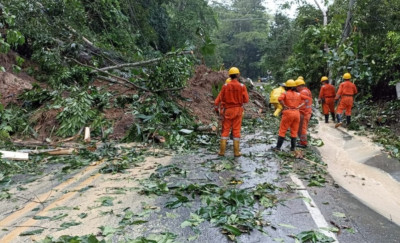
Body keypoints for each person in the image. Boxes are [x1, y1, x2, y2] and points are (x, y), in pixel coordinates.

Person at [214, 67, 249, 157]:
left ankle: (222, 152)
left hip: (227, 111)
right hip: (238, 111)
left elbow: (220, 98)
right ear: (238, 75)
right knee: (236, 131)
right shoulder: (242, 86)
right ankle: (236, 152)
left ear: (229, 75)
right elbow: (246, 100)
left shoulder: (225, 86)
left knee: (225, 131)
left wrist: (218, 107)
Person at [273, 79, 312, 151]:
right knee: (294, 131)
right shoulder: (298, 94)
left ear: (287, 87)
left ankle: (278, 147)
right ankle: (293, 148)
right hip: (296, 113)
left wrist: (284, 106)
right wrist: (300, 106)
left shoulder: (285, 93)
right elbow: (308, 99)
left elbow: (279, 99)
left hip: (288, 112)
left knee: (283, 130)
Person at [295, 78, 312, 148]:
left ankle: (303, 143)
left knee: (302, 128)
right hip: (308, 112)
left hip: (304, 113)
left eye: (296, 87)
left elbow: (302, 105)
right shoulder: (307, 90)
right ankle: (302, 141)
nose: (296, 89)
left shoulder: (303, 92)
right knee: (303, 128)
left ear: (299, 86)